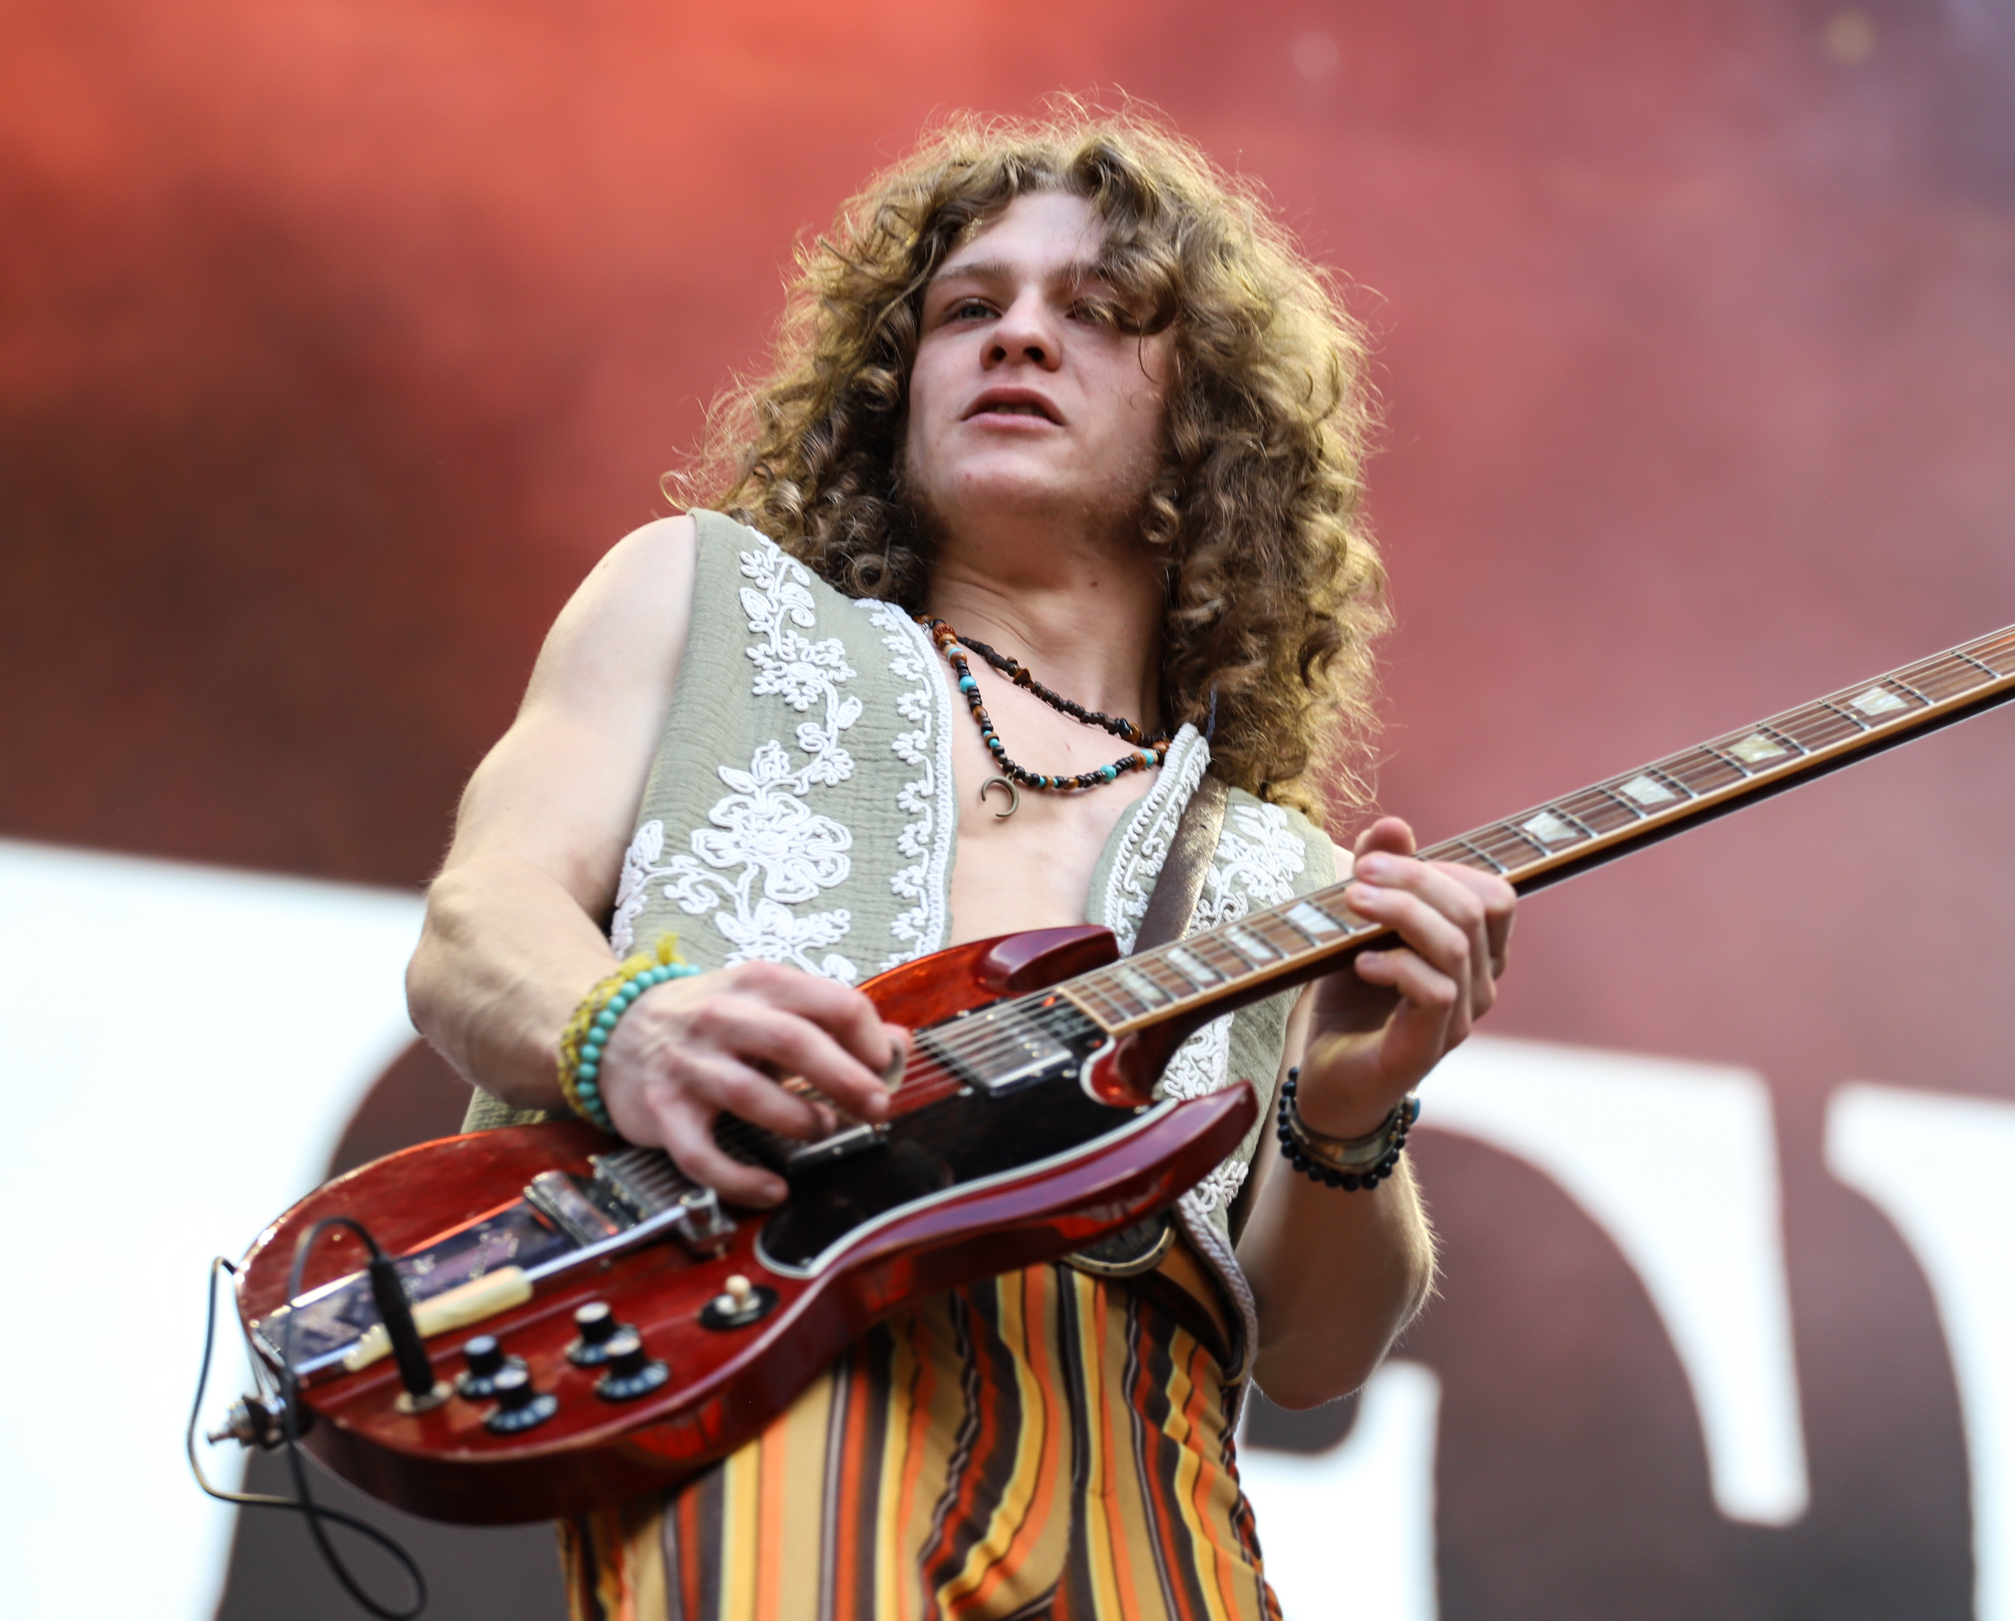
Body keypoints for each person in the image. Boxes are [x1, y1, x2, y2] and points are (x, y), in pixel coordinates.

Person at [407, 107, 1514, 1620]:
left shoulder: (1288, 868)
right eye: (966, 308)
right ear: (896, 385)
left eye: (1099, 311)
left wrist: (1349, 1113)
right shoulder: (704, 597)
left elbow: (1316, 1358)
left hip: (1147, 1474)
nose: (1019, 336)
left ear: (1211, 421)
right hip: (781, 1396)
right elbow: (477, 922)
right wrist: (632, 1029)